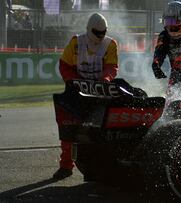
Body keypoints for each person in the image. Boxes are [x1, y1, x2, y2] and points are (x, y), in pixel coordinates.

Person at [52, 12, 118, 180]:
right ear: (89, 29)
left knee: (101, 130)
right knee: (68, 128)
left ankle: (98, 166)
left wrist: (105, 79)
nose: (100, 36)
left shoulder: (111, 44)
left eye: (103, 32)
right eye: (97, 32)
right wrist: (71, 82)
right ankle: (66, 166)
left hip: (99, 91)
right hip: (76, 89)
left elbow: (112, 66)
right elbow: (64, 65)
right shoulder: (76, 42)